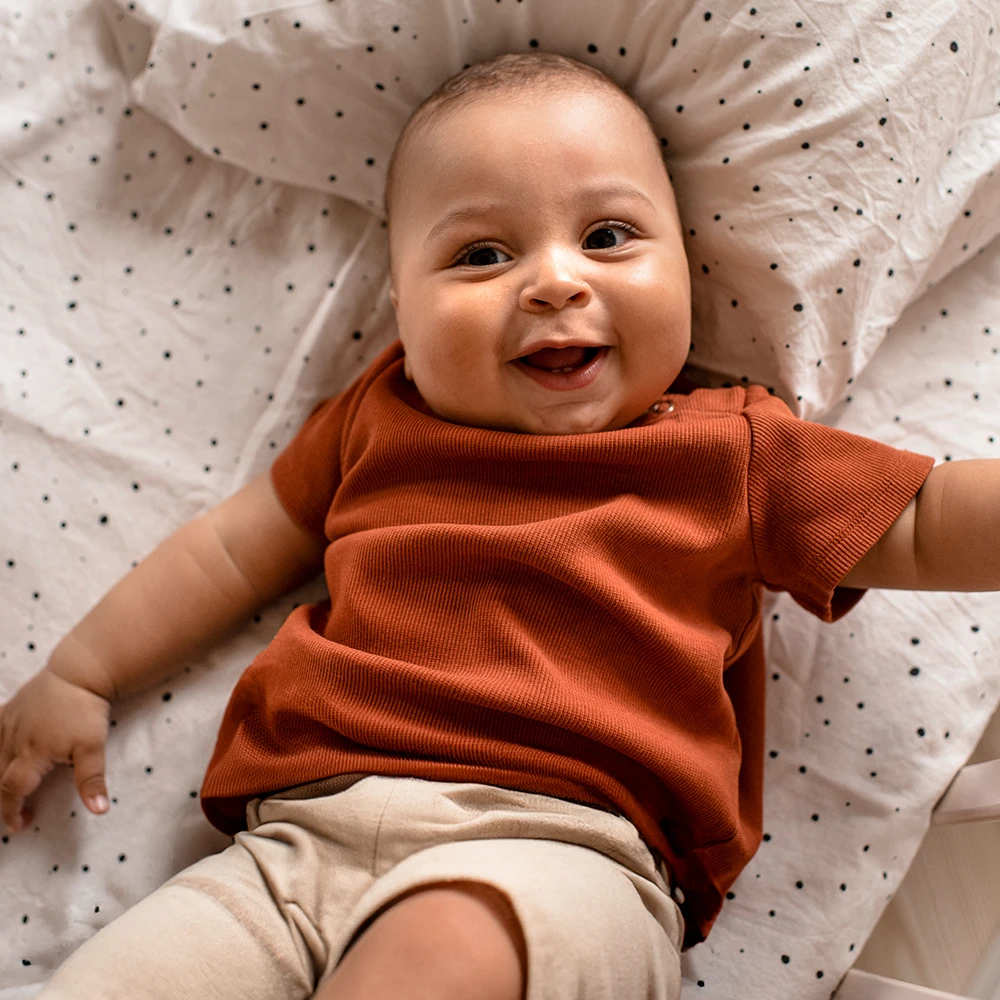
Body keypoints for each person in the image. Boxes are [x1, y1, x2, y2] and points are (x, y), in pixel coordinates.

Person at [2, 51, 997, 1000]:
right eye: (481, 254)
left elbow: (921, 518)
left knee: (441, 955)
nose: (555, 281)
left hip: (558, 852)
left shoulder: (731, 453)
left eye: (607, 237)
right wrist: (85, 670)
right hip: (287, 847)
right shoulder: (375, 417)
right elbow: (227, 549)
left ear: (686, 268)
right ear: (402, 303)